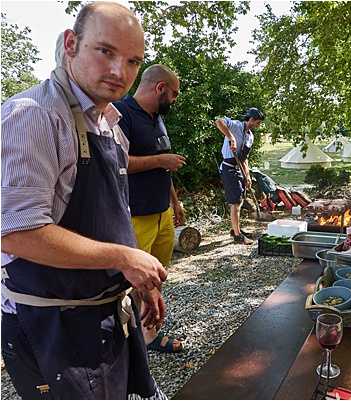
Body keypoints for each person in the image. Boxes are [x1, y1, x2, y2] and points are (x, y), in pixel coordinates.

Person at [1, 2, 167, 399]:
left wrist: (134, 275)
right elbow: (15, 233)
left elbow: (110, 215)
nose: (119, 72)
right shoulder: (34, 116)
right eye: (105, 52)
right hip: (52, 325)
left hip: (102, 313)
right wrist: (123, 257)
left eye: (132, 61)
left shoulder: (110, 124)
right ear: (71, 43)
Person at [114, 64, 185, 353]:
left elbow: (162, 163)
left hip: (162, 213)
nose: (175, 100)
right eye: (174, 94)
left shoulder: (157, 118)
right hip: (135, 215)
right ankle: (126, 337)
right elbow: (117, 163)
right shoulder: (122, 113)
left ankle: (149, 334)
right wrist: (160, 161)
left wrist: (174, 201)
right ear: (160, 88)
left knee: (157, 277)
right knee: (133, 281)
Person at [215, 108, 265, 245]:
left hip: (238, 167)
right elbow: (218, 121)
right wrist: (230, 137)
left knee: (240, 201)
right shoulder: (235, 125)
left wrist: (247, 175)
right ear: (251, 119)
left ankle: (235, 229)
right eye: (258, 122)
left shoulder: (250, 137)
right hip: (228, 167)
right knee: (235, 202)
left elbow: (244, 158)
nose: (258, 125)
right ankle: (238, 236)